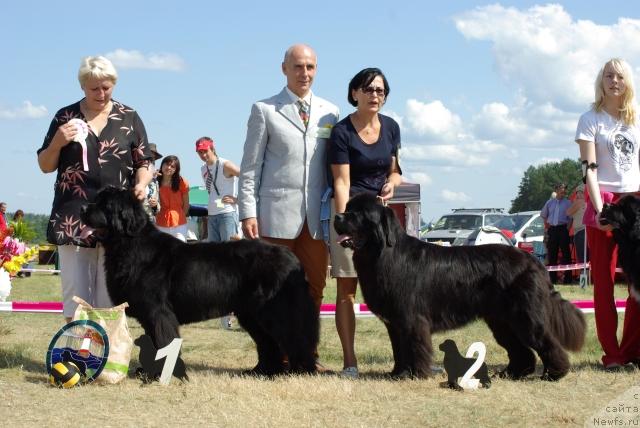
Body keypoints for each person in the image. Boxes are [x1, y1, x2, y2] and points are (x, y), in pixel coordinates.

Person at [238, 44, 339, 369]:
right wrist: (248, 212)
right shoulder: (264, 109)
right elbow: (250, 166)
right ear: (284, 69)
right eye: (297, 67)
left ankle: (307, 356)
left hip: (316, 219)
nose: (304, 73)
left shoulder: (330, 112)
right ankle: (273, 357)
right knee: (271, 292)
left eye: (310, 66)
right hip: (274, 215)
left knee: (314, 290)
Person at [37, 55, 153, 322]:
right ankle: (79, 354)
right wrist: (56, 143)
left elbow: (144, 161)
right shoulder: (65, 117)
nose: (101, 93)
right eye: (94, 88)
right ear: (82, 87)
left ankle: (109, 357)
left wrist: (142, 183)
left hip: (117, 222)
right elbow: (45, 165)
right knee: (75, 295)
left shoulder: (130, 117)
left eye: (107, 87)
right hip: (73, 216)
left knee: (112, 296)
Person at [328, 68, 402, 378]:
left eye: (381, 91)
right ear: (354, 93)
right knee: (347, 289)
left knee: (394, 289)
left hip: (381, 219)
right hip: (351, 213)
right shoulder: (342, 132)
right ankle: (350, 363)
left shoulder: (392, 127)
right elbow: (341, 182)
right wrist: (346, 226)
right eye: (369, 89)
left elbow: (395, 169)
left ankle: (405, 360)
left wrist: (393, 183)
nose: (375, 95)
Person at [576, 57, 640, 371]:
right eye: (609, 76)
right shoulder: (590, 119)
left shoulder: (636, 118)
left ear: (628, 82)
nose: (614, 81)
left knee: (637, 284)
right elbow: (589, 168)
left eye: (620, 76)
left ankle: (632, 351)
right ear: (602, 81)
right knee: (603, 284)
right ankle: (612, 355)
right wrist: (601, 211)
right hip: (605, 201)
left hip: (636, 202)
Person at [195, 136, 240, 242]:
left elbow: (247, 179)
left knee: (230, 251)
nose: (203, 155)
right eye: (200, 152)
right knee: (215, 254)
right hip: (211, 215)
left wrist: (238, 199)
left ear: (212, 149)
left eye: (205, 151)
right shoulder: (203, 168)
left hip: (227, 214)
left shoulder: (226, 164)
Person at [540, 183, 573, 284]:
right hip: (552, 230)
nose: (563, 192)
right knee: (552, 254)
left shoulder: (568, 203)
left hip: (563, 229)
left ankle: (568, 279)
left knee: (566, 254)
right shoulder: (549, 203)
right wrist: (548, 225)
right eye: (561, 190)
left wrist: (567, 229)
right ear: (556, 190)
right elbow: (543, 215)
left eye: (564, 190)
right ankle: (552, 280)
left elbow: (571, 218)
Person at [155, 155, 189, 241]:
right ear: (162, 165)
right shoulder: (154, 181)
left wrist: (181, 216)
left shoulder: (182, 182)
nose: (169, 167)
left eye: (172, 166)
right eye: (167, 164)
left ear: (176, 170)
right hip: (160, 222)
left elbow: (186, 204)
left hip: (179, 223)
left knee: (180, 250)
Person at [566, 184, 587, 264]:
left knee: (582, 257)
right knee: (586, 256)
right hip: (585, 231)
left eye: (580, 192)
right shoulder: (588, 202)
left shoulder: (579, 202)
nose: (577, 194)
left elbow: (568, 212)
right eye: (577, 192)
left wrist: (574, 202)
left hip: (580, 232)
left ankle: (583, 275)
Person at [142, 143, 163, 222]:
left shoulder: (156, 181)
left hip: (150, 220)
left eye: (153, 158)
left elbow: (158, 208)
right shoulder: (134, 176)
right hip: (137, 219)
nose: (151, 161)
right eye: (148, 157)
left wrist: (155, 205)